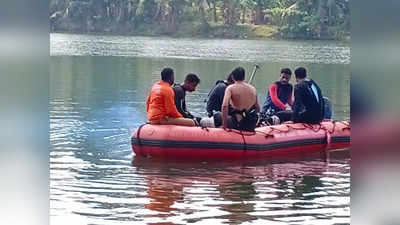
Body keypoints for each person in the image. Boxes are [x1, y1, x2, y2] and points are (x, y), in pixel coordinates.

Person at [221, 67, 260, 131]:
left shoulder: (230, 88)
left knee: (217, 116)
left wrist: (224, 126)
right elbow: (257, 108)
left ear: (233, 77)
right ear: (244, 77)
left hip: (236, 122)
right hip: (249, 123)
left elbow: (224, 106)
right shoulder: (253, 89)